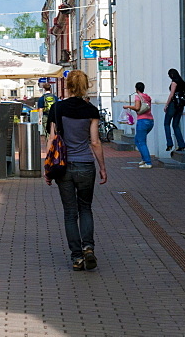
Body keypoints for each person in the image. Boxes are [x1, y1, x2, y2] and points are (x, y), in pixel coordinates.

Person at [45, 70, 107, 271]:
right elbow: (95, 142)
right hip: (86, 165)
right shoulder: (91, 110)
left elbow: (52, 139)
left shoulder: (57, 108)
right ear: (85, 86)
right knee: (85, 208)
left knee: (70, 213)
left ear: (67, 86)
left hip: (63, 167)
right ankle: (88, 247)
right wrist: (103, 167)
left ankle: (77, 257)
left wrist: (47, 168)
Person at [123, 82, 153, 167]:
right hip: (150, 120)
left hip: (142, 121)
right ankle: (144, 159)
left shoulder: (137, 96)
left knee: (141, 141)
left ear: (136, 89)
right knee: (138, 140)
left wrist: (128, 106)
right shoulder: (147, 97)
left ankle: (148, 162)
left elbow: (137, 107)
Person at [164, 68, 185, 152]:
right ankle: (181, 145)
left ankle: (169, 143)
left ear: (172, 75)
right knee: (175, 125)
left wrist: (166, 105)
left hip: (173, 104)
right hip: (180, 105)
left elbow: (172, 94)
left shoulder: (174, 82)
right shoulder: (182, 82)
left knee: (166, 123)